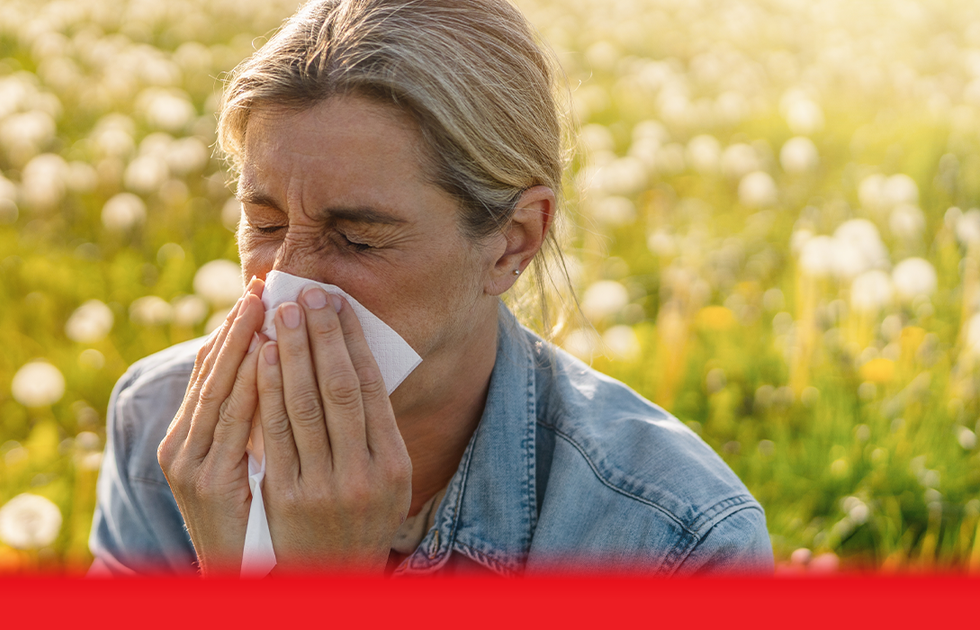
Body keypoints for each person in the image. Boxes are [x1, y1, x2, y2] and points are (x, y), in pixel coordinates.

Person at [88, 0, 773, 577]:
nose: (286, 279)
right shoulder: (165, 429)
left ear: (513, 242)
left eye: (358, 238)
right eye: (264, 223)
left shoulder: (675, 538)